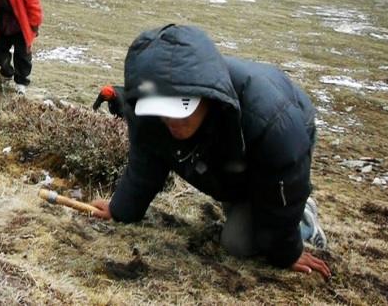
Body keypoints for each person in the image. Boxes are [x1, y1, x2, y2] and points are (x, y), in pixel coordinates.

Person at [90, 24, 332, 279]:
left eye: (181, 108)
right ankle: (249, 202)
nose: (172, 120)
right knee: (241, 209)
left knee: (240, 243)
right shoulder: (149, 110)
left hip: (283, 140)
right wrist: (122, 210)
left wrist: (287, 251)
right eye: (164, 109)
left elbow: (284, 178)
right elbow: (146, 159)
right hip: (231, 154)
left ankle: (304, 217)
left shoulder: (272, 121)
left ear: (206, 95)